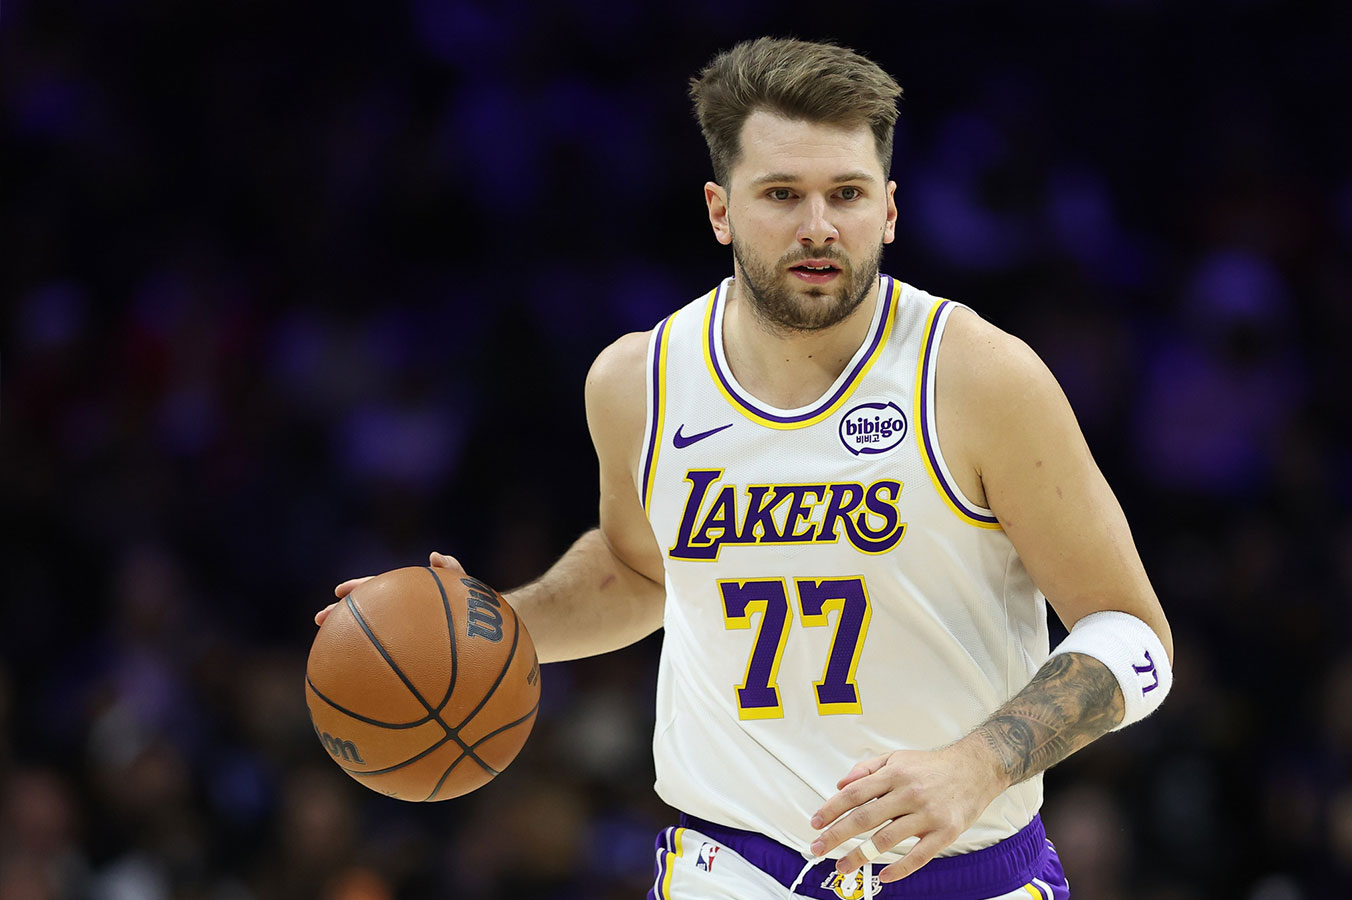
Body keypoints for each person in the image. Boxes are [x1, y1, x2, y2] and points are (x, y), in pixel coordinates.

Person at [319, 36, 1174, 900]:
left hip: (962, 874)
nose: (818, 225)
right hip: (732, 868)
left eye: (847, 193)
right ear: (720, 209)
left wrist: (978, 764)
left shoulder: (979, 376)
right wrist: (486, 632)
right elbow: (637, 570)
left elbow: (1137, 637)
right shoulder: (637, 381)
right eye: (781, 195)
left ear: (890, 209)